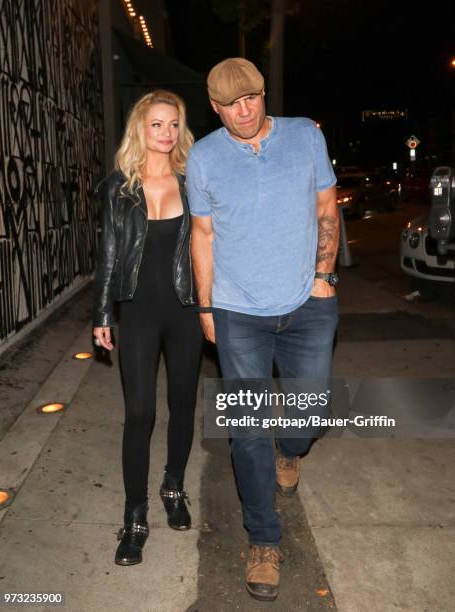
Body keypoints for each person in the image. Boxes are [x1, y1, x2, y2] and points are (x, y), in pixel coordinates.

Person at [187, 58, 339, 601]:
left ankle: (291, 449)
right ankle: (263, 540)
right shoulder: (203, 158)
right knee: (247, 430)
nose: (243, 111)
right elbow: (202, 237)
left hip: (307, 303)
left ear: (262, 93)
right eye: (231, 104)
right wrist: (206, 309)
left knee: (306, 417)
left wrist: (323, 273)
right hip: (238, 313)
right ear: (215, 107)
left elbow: (326, 205)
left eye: (250, 98)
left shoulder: (303, 136)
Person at [92, 90, 203, 566]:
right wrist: (101, 314)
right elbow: (110, 253)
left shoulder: (194, 178)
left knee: (182, 402)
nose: (166, 133)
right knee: (140, 413)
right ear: (140, 127)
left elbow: (213, 242)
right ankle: (134, 513)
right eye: (157, 124)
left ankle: (173, 484)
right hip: (136, 310)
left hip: (186, 307)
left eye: (173, 124)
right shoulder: (119, 187)